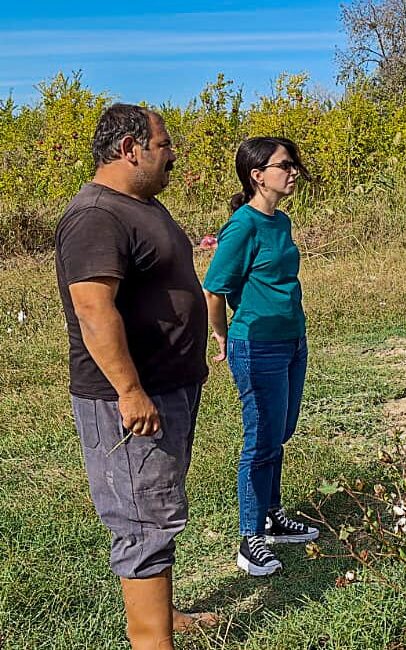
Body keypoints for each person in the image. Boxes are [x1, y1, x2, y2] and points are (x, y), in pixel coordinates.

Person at [55, 103, 217, 649]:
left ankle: (163, 614)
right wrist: (129, 390)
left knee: (158, 503)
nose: (172, 154)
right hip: (131, 398)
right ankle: (151, 641)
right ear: (131, 149)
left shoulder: (141, 204)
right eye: (164, 144)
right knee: (142, 520)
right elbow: (93, 310)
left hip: (169, 387)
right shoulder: (97, 216)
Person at [203, 137, 319, 577]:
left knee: (280, 430)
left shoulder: (281, 222)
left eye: (292, 164)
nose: (292, 172)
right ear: (257, 175)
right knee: (261, 438)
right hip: (256, 345)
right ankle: (250, 537)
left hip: (291, 340)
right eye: (283, 165)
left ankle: (272, 517)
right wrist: (221, 335)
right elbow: (214, 288)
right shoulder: (242, 226)